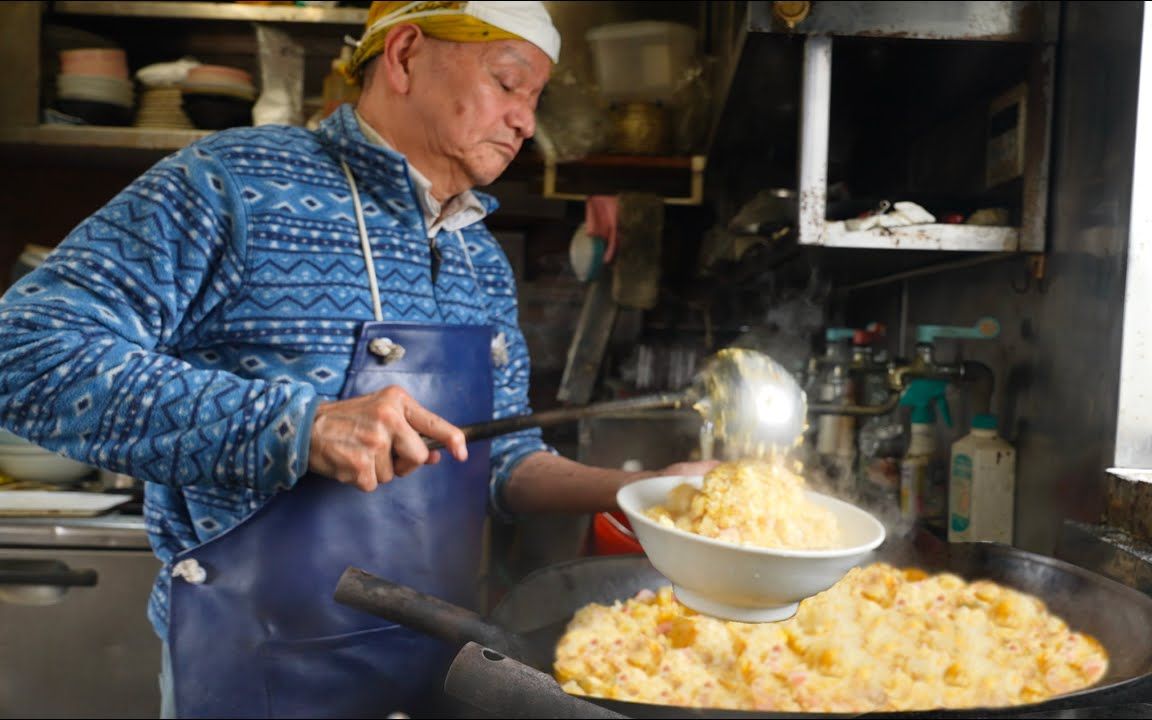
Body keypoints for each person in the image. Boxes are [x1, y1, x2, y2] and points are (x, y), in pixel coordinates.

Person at [0, 2, 714, 717]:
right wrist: (300, 426)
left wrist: (653, 494)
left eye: (535, 98)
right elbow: (24, 350)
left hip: (442, 663)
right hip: (254, 665)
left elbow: (499, 460)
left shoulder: (481, 259)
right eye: (507, 82)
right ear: (404, 55)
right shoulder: (231, 185)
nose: (526, 121)